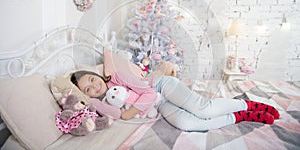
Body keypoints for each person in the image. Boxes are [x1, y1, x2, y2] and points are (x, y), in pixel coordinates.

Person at [70, 69, 280, 132]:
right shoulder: (105, 103)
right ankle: (239, 116)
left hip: (161, 87)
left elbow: (149, 93)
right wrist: (87, 99)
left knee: (203, 110)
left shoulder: (118, 76)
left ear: (96, 74)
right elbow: (117, 114)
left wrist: (129, 112)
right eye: (88, 89)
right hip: (159, 106)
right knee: (187, 124)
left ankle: (249, 104)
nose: (94, 86)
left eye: (91, 79)